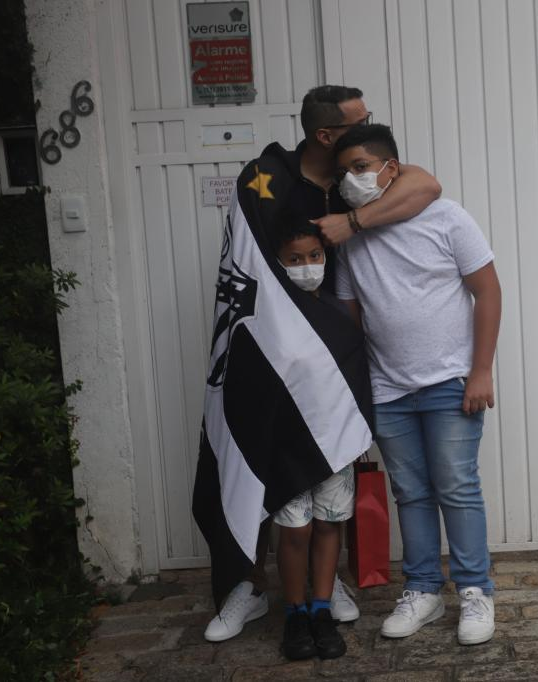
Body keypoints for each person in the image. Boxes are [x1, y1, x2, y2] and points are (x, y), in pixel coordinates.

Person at [203, 84, 441, 644]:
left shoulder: (351, 182)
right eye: (359, 121)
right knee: (258, 460)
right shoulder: (266, 177)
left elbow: (427, 185)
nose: (369, 126)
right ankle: (247, 584)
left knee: (327, 472)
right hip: (267, 353)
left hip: (332, 356)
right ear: (325, 134)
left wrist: (353, 222)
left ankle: (323, 585)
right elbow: (248, 265)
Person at [333, 124, 502, 646]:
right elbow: (353, 319)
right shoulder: (351, 240)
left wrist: (480, 370)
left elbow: (488, 292)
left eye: (361, 167)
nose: (352, 179)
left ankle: (474, 590)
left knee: (457, 486)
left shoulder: (446, 217)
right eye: (344, 171)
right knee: (411, 492)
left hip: (451, 381)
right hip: (388, 390)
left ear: (392, 168)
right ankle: (424, 589)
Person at [269, 212, 354, 660]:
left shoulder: (339, 313)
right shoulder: (268, 317)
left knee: (327, 524)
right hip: (288, 447)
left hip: (336, 443)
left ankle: (322, 609)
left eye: (315, 256)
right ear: (278, 262)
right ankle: (294, 612)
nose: (307, 266)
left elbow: (355, 378)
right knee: (295, 530)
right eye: (295, 259)